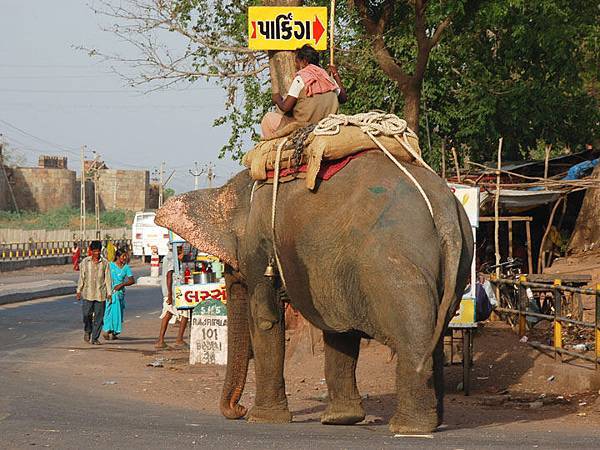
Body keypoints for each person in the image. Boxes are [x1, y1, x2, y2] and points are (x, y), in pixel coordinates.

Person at [261, 44, 347, 138]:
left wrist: (277, 98)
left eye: (297, 62)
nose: (297, 66)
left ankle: (274, 149)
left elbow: (285, 107)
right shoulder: (327, 78)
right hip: (327, 125)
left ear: (304, 61)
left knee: (268, 118)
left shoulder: (301, 78)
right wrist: (335, 74)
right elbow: (343, 98)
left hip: (304, 126)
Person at [76, 240, 112, 345]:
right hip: (88, 293)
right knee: (86, 314)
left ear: (100, 251)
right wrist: (79, 291)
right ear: (91, 251)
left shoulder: (105, 263)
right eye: (94, 251)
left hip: (101, 294)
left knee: (99, 318)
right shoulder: (85, 262)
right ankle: (88, 330)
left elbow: (108, 279)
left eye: (98, 251)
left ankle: (95, 338)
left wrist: (109, 293)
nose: (96, 253)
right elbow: (81, 277)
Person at [155, 244, 188, 349]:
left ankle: (161, 340)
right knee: (185, 313)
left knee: (168, 313)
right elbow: (169, 275)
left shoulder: (168, 257)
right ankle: (179, 339)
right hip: (174, 292)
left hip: (172, 292)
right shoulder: (172, 258)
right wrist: (170, 294)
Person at [102, 247, 135, 340]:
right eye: (123, 256)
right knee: (109, 311)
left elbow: (132, 280)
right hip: (109, 292)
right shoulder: (110, 265)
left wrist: (122, 284)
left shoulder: (126, 268)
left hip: (119, 293)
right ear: (117, 256)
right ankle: (107, 329)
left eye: (126, 256)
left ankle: (114, 331)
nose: (125, 258)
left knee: (117, 312)